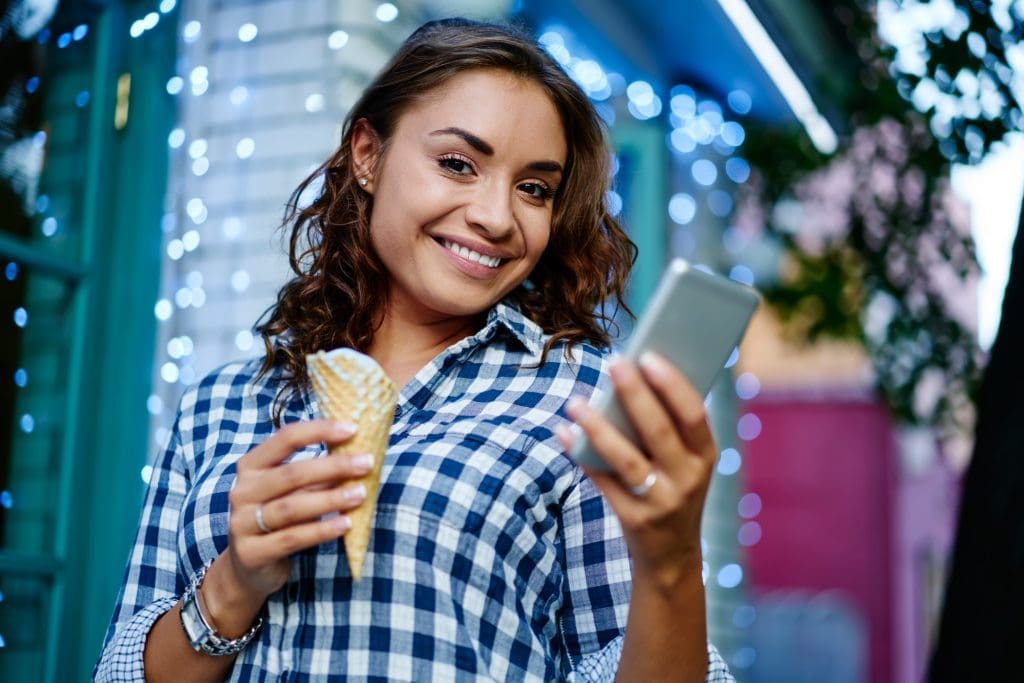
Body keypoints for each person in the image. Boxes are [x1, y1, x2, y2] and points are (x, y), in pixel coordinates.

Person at [95, 18, 734, 682]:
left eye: (534, 188)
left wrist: (671, 564)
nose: (495, 216)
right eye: (458, 164)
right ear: (368, 154)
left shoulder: (581, 401)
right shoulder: (219, 406)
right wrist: (232, 583)